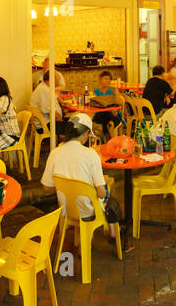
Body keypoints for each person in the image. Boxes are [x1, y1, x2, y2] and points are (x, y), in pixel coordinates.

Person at [41, 114, 128, 248]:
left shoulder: (55, 153)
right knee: (108, 194)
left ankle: (84, 241)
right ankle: (113, 234)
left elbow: (46, 188)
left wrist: (66, 187)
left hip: (66, 210)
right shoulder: (91, 155)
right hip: (89, 212)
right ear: (86, 133)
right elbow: (101, 193)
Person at [90, 70, 124, 137]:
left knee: (109, 119)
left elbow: (120, 102)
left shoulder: (114, 90)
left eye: (109, 79)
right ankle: (110, 139)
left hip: (114, 114)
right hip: (100, 114)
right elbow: (94, 105)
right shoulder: (96, 92)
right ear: (100, 80)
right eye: (106, 79)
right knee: (107, 117)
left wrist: (116, 110)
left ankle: (107, 137)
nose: (108, 81)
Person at [30, 70, 63, 134]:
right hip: (45, 125)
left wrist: (60, 101)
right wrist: (62, 122)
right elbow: (52, 113)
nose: (58, 82)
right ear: (51, 79)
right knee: (73, 127)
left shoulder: (44, 87)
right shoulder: (44, 90)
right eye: (57, 79)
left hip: (46, 122)